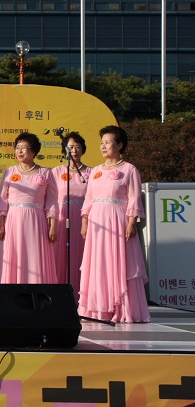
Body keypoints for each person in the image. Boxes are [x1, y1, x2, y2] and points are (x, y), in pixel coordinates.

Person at [78, 125, 150, 323]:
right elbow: (89, 199)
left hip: (118, 220)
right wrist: (85, 221)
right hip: (97, 223)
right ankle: (97, 309)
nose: (103, 146)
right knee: (98, 263)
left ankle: (122, 308)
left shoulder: (129, 170)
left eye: (108, 142)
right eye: (101, 143)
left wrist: (131, 222)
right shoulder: (96, 171)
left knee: (118, 262)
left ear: (120, 145)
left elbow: (134, 198)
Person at [0, 132, 59, 284]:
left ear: (33, 151)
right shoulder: (9, 171)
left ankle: (36, 290)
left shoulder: (46, 173)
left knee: (35, 255)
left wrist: (53, 226)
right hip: (14, 220)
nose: (19, 151)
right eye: (17, 147)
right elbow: (2, 200)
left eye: (24, 147)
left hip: (36, 221)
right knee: (14, 254)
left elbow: (52, 201)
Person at [51, 132, 91, 296]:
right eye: (70, 147)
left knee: (82, 256)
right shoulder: (56, 172)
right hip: (62, 218)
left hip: (84, 219)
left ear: (83, 149)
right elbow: (51, 199)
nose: (74, 150)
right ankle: (60, 296)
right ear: (64, 150)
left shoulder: (91, 172)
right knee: (59, 257)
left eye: (77, 147)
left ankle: (82, 295)